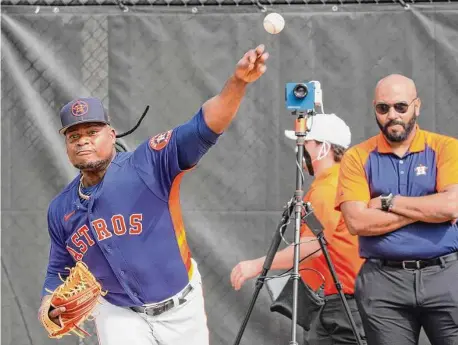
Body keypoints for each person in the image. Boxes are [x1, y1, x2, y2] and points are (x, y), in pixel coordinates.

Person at [38, 44, 269, 345]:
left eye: (92, 132)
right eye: (74, 136)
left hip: (181, 309)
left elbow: (203, 128)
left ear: (112, 134)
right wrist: (48, 305)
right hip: (118, 313)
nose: (83, 141)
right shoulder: (60, 209)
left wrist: (237, 83)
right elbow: (58, 269)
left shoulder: (148, 163)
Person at [335, 74, 458, 345]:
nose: (392, 115)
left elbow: (450, 206)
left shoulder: (446, 148)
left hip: (446, 276)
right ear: (375, 109)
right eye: (383, 108)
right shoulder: (357, 157)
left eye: (401, 107)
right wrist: (426, 208)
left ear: (417, 106)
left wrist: (388, 202)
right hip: (383, 283)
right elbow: (357, 221)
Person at [230, 113, 367, 345]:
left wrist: (257, 266)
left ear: (324, 147)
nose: (299, 149)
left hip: (341, 306)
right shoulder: (333, 182)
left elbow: (311, 246)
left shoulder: (330, 187)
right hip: (334, 303)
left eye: (305, 142)